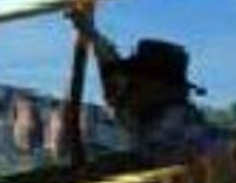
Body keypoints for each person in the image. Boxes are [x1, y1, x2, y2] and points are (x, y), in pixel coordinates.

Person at [83, 29, 224, 163]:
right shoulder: (144, 117)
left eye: (134, 85)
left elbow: (213, 151)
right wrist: (92, 33)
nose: (128, 92)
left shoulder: (181, 128)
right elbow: (111, 74)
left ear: (163, 88)